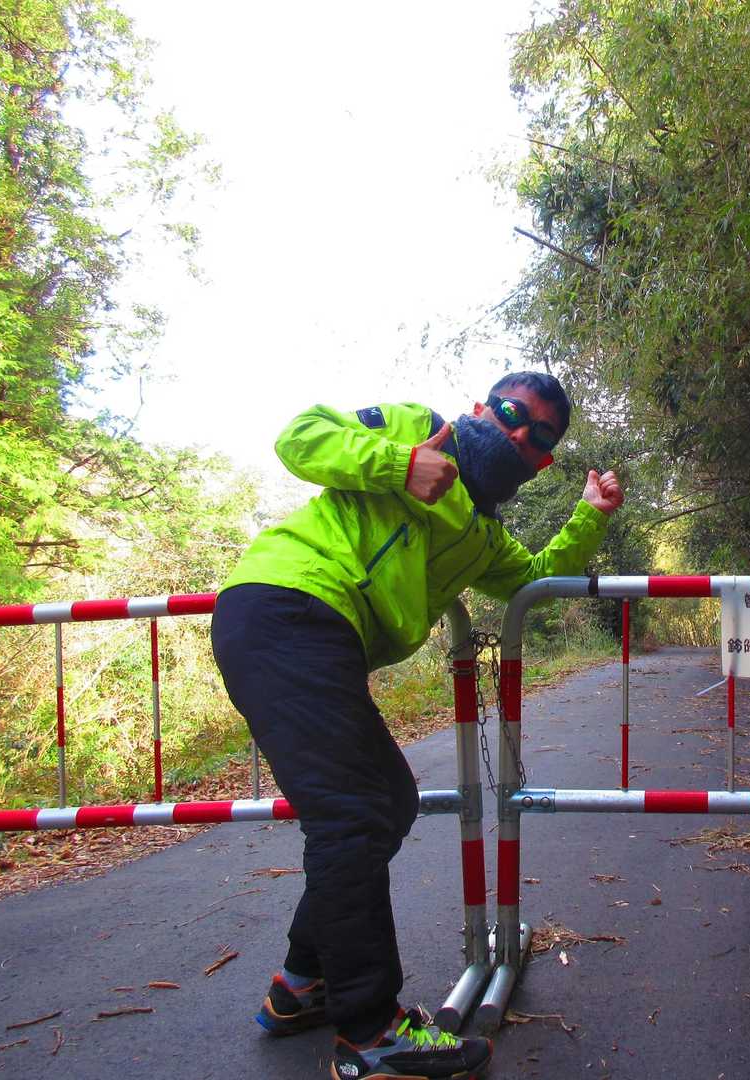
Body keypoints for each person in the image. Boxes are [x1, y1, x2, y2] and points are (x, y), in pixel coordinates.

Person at [210, 372, 623, 1080]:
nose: (520, 433)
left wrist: (590, 515)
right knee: (350, 815)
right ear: (481, 408)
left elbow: (534, 578)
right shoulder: (418, 427)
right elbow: (300, 436)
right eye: (511, 412)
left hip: (323, 637)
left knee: (390, 802)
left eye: (540, 435)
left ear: (543, 462)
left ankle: (303, 985)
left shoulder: (484, 538)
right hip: (285, 605)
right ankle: (371, 1034)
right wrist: (400, 464)